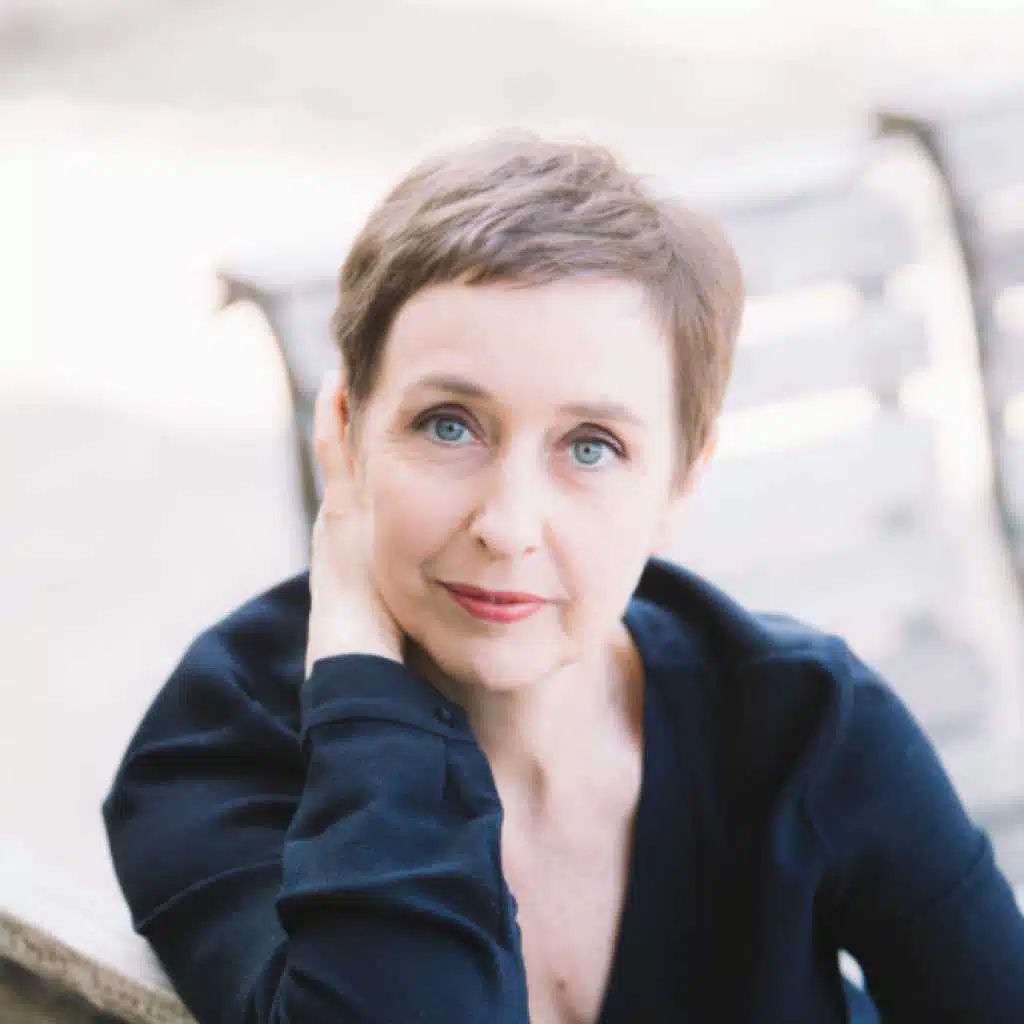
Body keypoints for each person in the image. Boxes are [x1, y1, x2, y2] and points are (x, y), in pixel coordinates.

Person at [102, 133, 1024, 1024]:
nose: (507, 526)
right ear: (344, 430)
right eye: (449, 425)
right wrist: (359, 664)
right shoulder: (220, 749)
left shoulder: (806, 726)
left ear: (681, 482)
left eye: (591, 447)